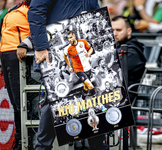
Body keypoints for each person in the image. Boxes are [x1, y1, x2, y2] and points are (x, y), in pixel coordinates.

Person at [26, 0, 106, 149]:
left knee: (93, 99)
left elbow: (95, 13)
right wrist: (41, 46)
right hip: (55, 52)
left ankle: (98, 146)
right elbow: (35, 12)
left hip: (82, 54)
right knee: (55, 101)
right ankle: (42, 147)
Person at [0, 1, 31, 150]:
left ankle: (25, 140)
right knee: (14, 101)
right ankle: (19, 138)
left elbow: (38, 30)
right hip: (6, 55)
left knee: (21, 102)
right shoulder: (16, 9)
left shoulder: (30, 9)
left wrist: (26, 45)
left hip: (17, 56)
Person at [111, 16, 146, 103]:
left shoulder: (132, 52)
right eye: (112, 30)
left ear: (129, 31)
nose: (114, 33)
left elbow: (111, 70)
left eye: (118, 30)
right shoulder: (116, 46)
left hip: (124, 102)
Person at [64, 31, 96, 100]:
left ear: (74, 36)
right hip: (78, 70)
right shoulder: (67, 48)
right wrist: (69, 67)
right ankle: (100, 104)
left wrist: (88, 54)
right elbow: (65, 56)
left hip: (87, 68)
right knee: (90, 85)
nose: (69, 40)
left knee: (86, 87)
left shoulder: (82, 42)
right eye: (68, 38)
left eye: (71, 37)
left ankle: (82, 99)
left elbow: (91, 49)